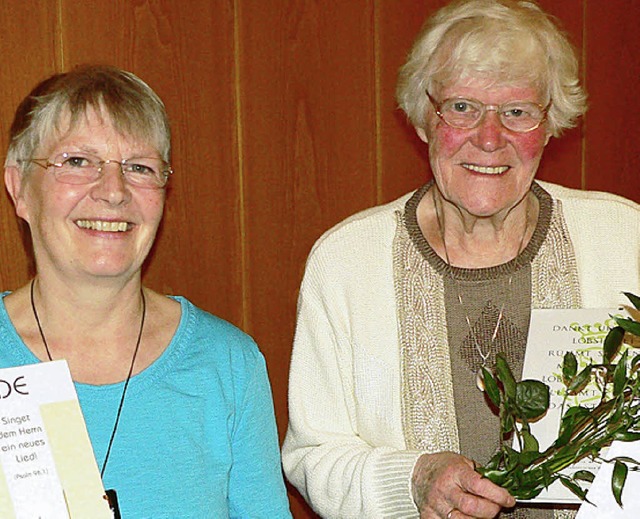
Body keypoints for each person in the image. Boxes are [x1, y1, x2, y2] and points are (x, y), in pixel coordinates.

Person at [282, 1, 640, 518]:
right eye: (462, 107)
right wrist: (414, 479)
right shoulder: (346, 262)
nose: (489, 138)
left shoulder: (624, 239)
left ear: (550, 123)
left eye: (516, 112)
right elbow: (313, 455)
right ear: (425, 117)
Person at [1, 65, 292, 518]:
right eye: (78, 161)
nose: (114, 191)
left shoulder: (228, 365)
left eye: (139, 167)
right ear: (19, 188)